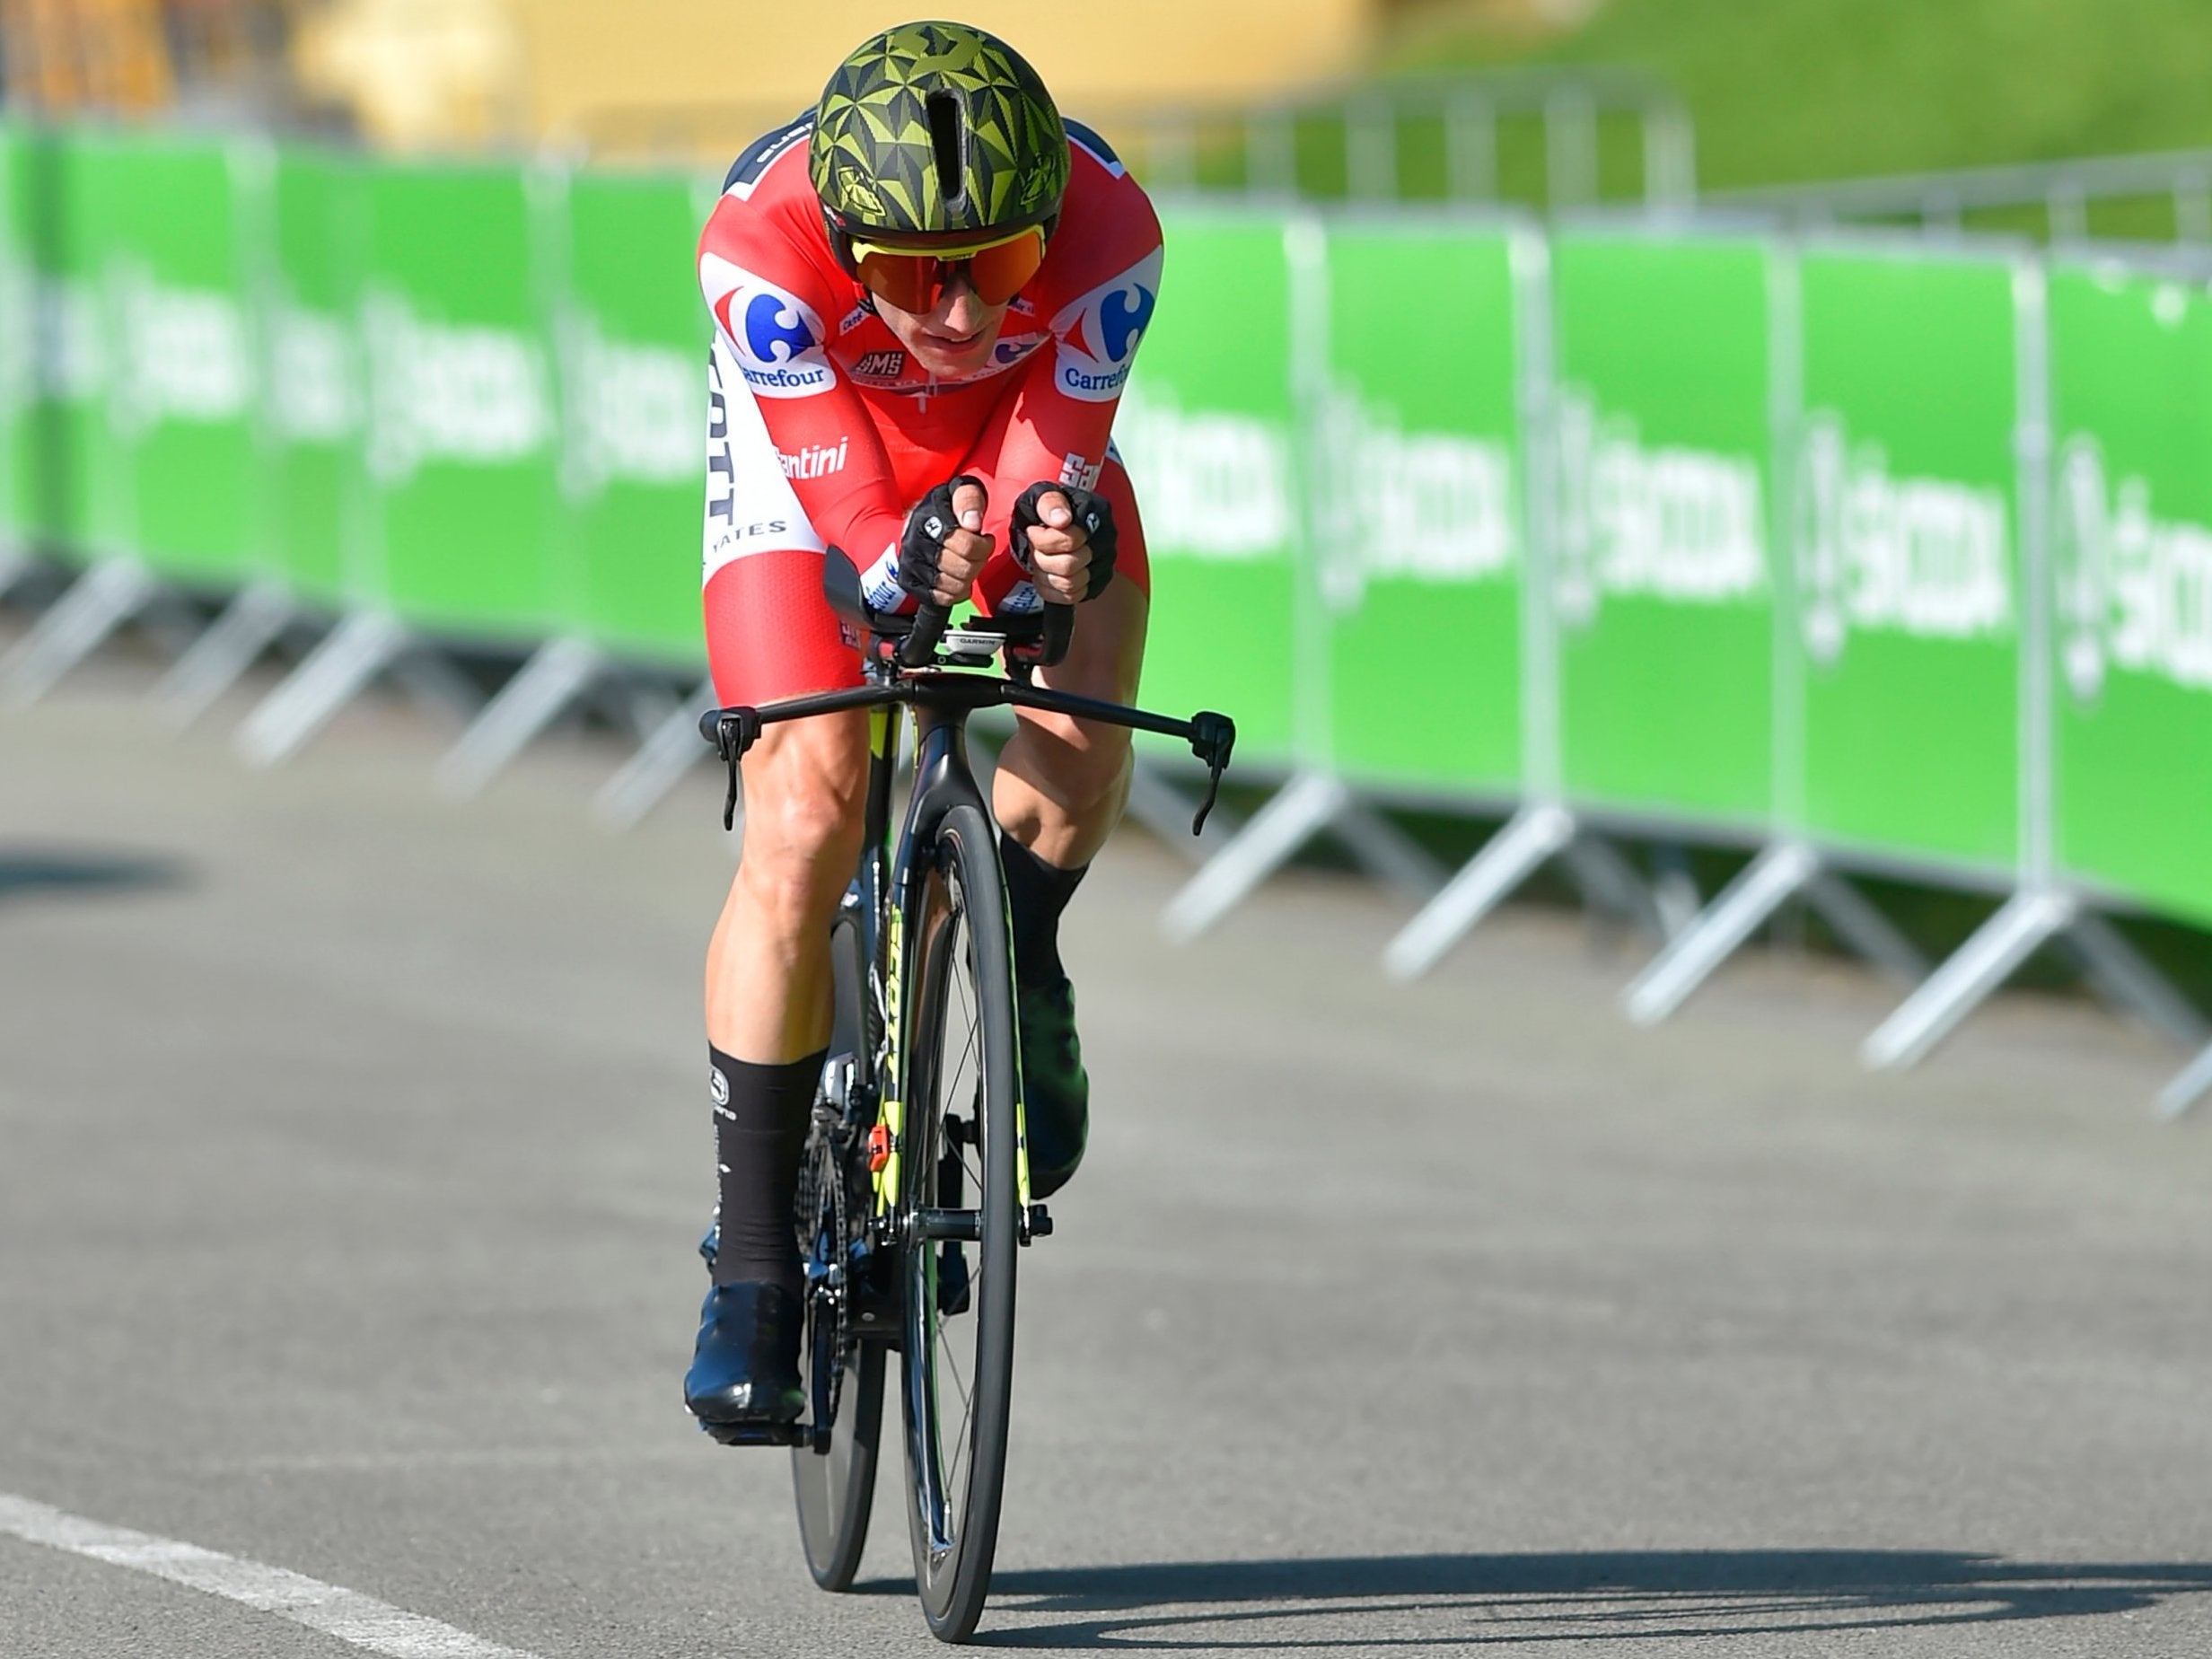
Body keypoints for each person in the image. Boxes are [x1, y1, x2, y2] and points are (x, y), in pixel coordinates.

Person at [683, 20, 1163, 1435]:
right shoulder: (759, 256)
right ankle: (756, 1270)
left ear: (1049, 232)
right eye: (909, 276)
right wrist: (907, 572)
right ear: (846, 244)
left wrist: (1039, 557)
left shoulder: (1113, 231)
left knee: (1079, 723)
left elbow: (1038, 480)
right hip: (816, 470)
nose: (955, 315)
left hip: (1007, 444)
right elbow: (857, 537)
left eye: (998, 266)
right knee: (809, 806)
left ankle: (1018, 943)